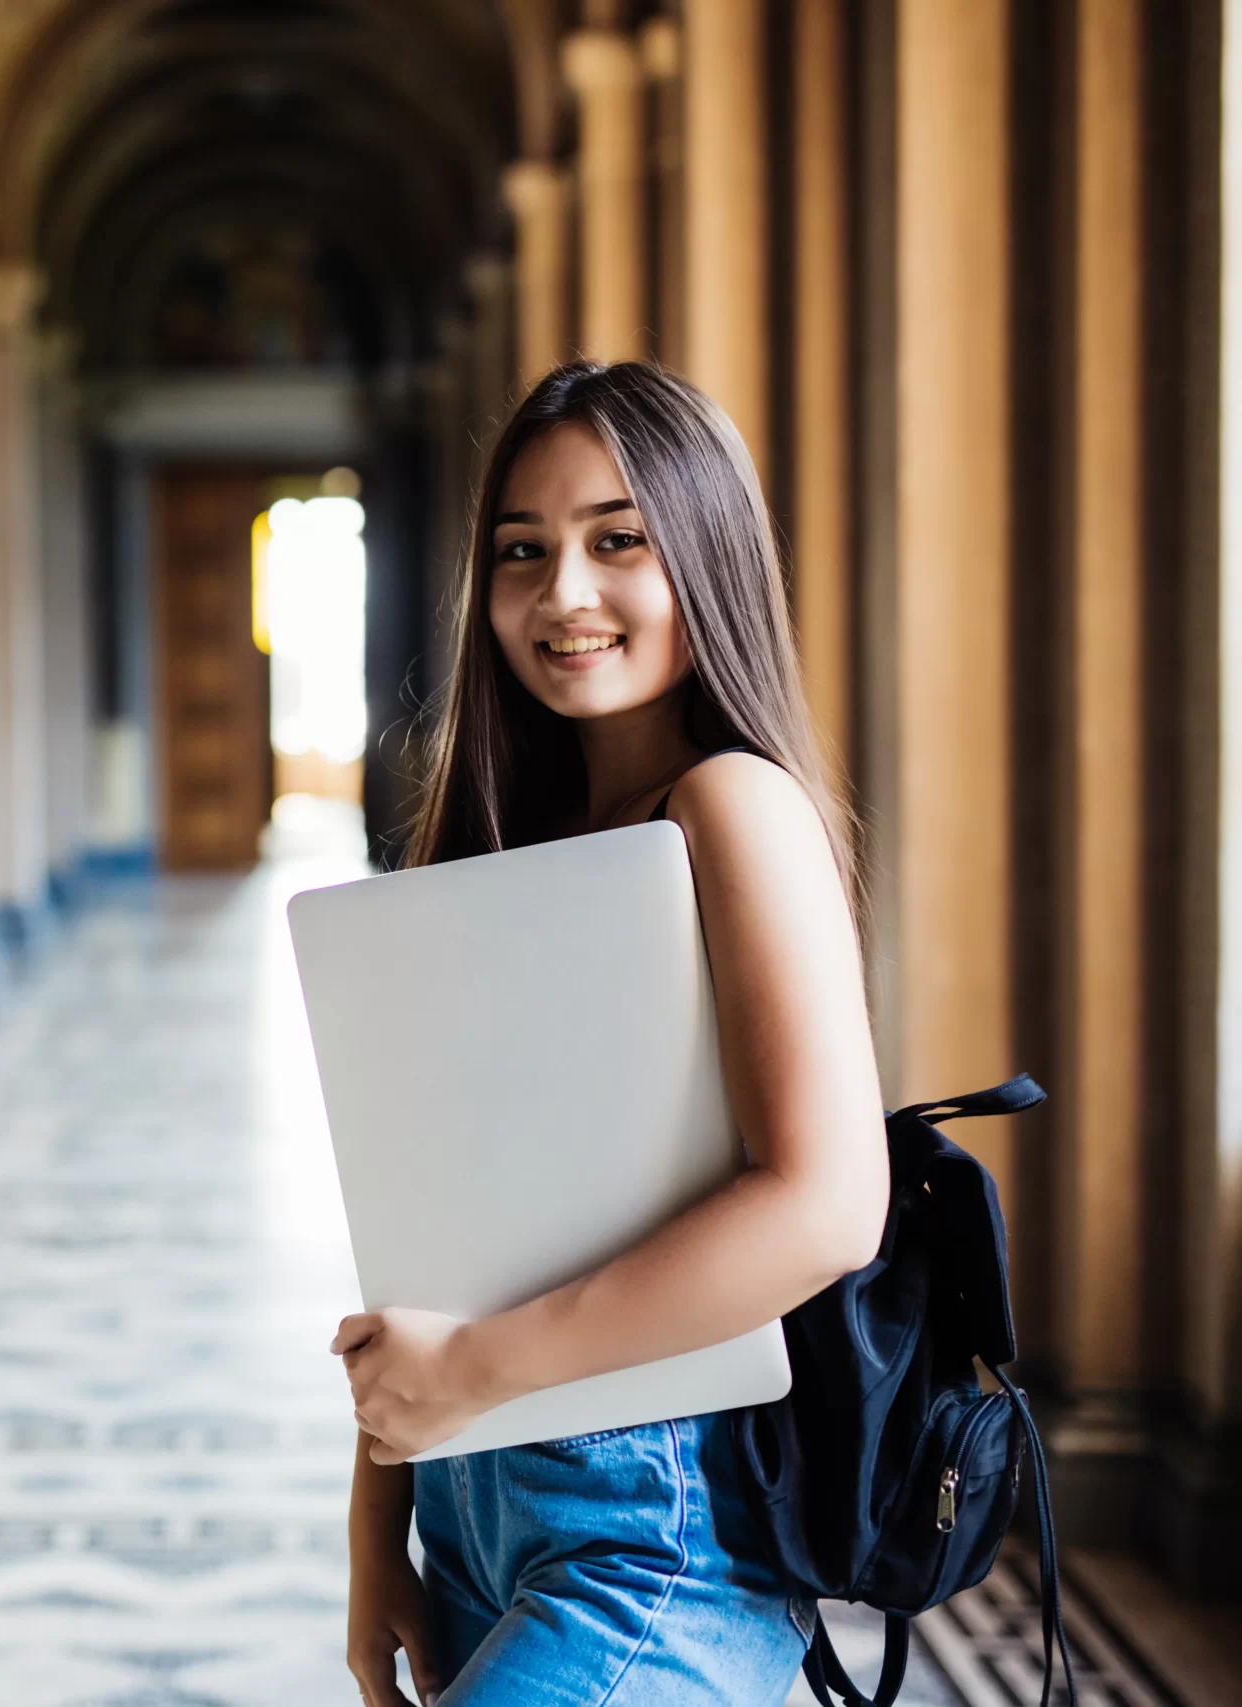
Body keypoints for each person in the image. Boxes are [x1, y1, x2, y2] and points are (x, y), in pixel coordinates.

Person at [332, 361, 886, 1707]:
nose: (562, 591)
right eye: (523, 550)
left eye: (617, 539)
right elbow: (438, 1215)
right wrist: (378, 1529)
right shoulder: (514, 841)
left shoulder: (732, 807)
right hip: (477, 1501)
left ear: (707, 553)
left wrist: (466, 1372)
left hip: (653, 1536)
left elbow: (828, 1202)